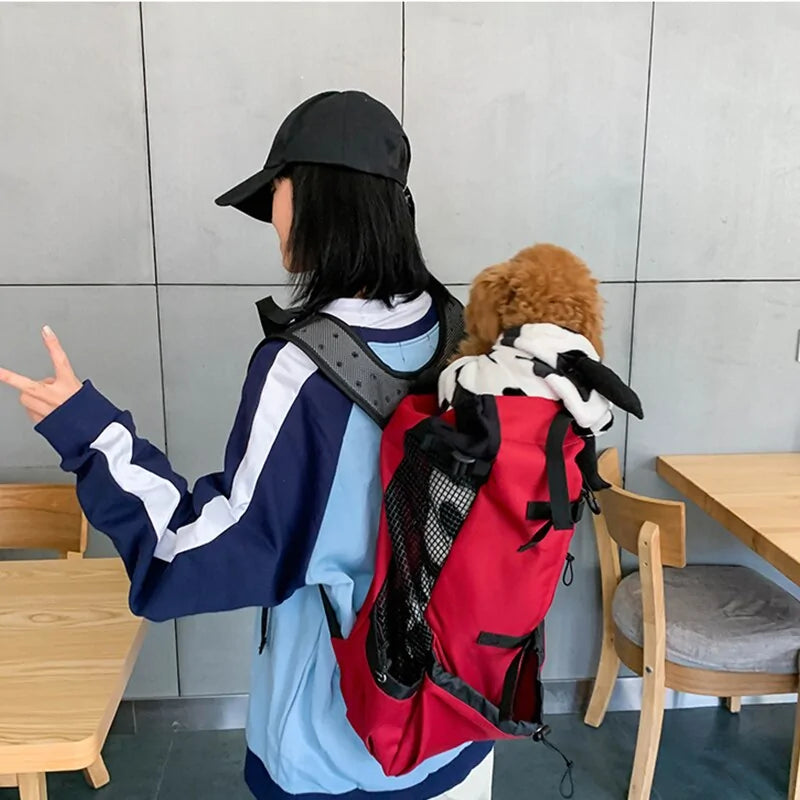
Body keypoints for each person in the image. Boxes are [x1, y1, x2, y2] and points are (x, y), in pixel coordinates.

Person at [0, 91, 494, 800]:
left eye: (277, 193)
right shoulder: (460, 328)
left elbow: (191, 554)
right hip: (458, 718)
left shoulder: (303, 369)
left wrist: (89, 432)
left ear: (315, 199)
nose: (274, 219)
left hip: (343, 743)